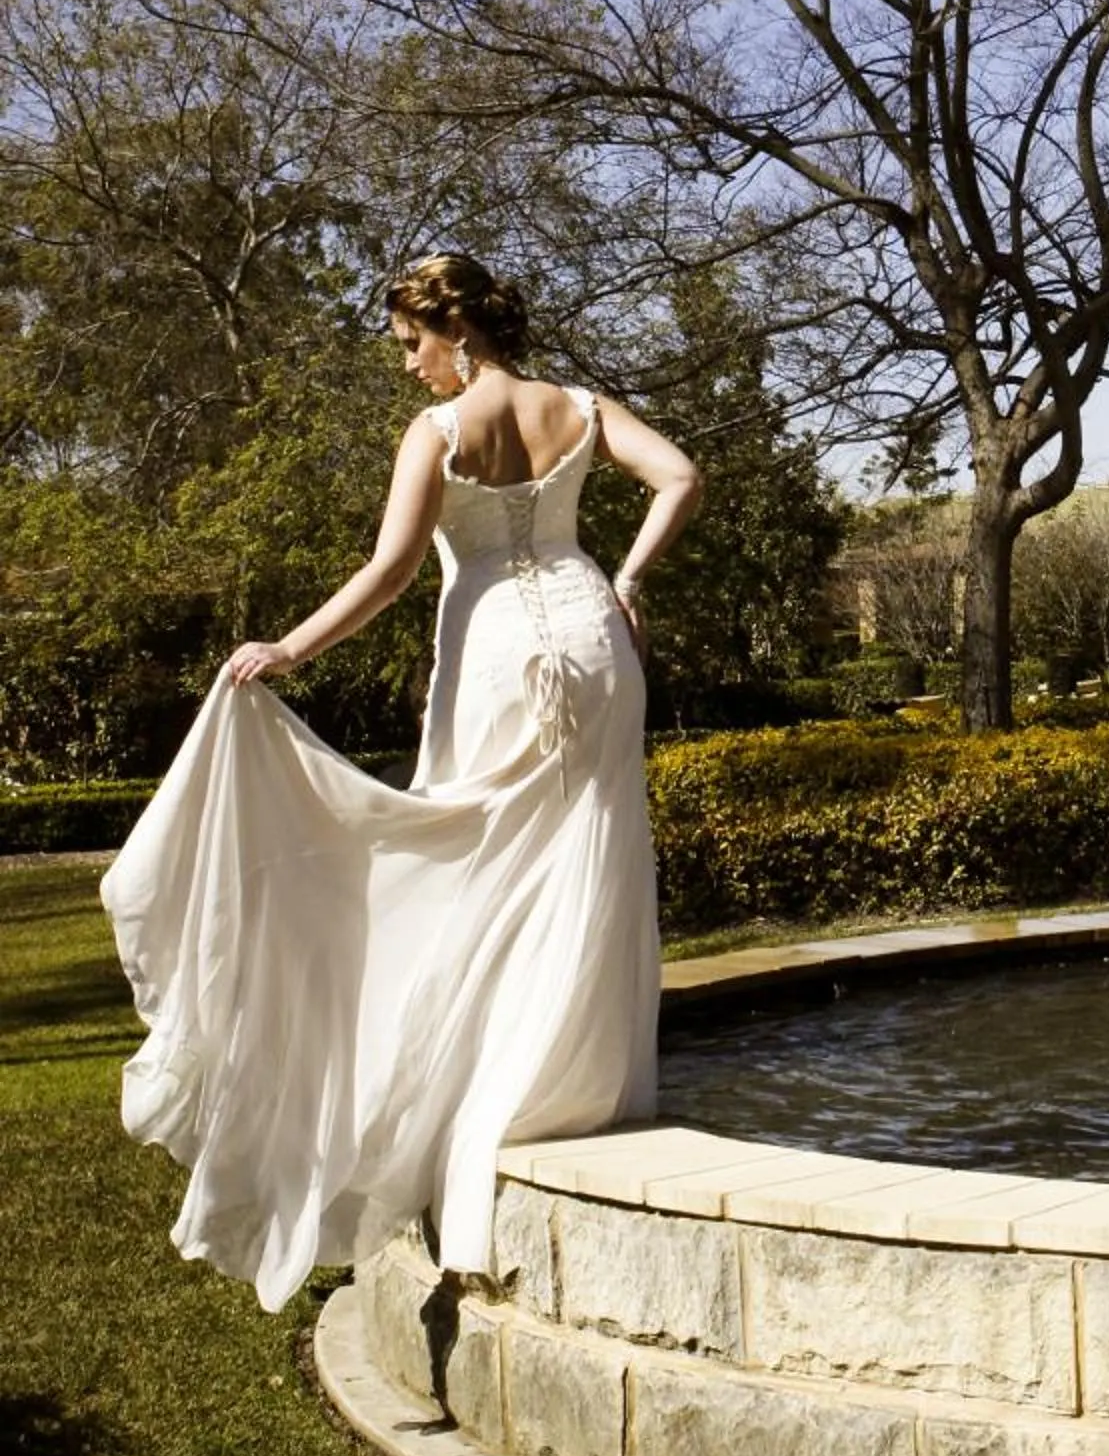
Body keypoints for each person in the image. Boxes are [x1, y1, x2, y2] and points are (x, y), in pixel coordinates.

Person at [101, 253, 702, 1312]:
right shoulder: (580, 406)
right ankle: (570, 1084)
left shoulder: (437, 432)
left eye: (411, 343)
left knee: (474, 861)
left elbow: (389, 573)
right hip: (595, 637)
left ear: (455, 329)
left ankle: (479, 1090)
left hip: (495, 649)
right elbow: (682, 477)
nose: (409, 365)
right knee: (590, 857)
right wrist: (627, 578)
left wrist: (287, 648)